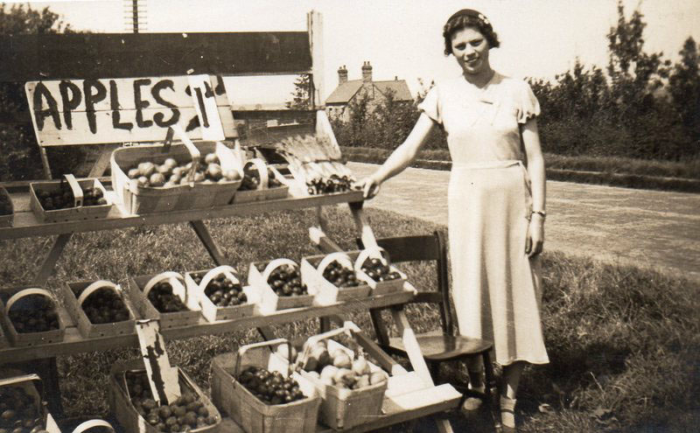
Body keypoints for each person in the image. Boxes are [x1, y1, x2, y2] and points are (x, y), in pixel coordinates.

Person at [361, 8, 549, 432]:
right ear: (451, 51)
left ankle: (509, 396)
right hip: (466, 202)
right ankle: (478, 384)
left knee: (516, 294)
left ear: (489, 41)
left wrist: (538, 215)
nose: (469, 51)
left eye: (475, 42)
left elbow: (535, 158)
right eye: (459, 46)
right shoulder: (443, 94)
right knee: (471, 294)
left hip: (512, 202)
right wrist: (378, 176)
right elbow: (410, 148)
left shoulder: (517, 90)